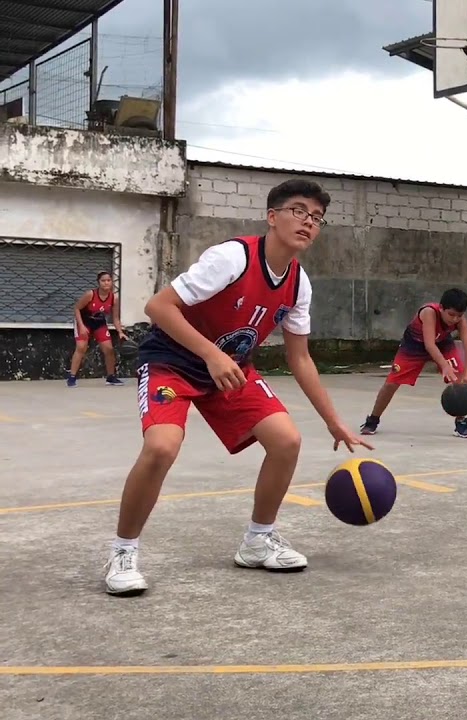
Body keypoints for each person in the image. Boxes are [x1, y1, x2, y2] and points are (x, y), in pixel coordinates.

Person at [102, 179, 371, 597]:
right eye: (298, 211)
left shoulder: (299, 282)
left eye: (316, 218)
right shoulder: (232, 257)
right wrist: (211, 354)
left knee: (286, 441)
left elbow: (300, 359)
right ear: (272, 216)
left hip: (230, 369)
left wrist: (334, 422)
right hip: (173, 362)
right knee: (161, 447)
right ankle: (123, 551)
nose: (308, 223)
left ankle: (257, 540)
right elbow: (158, 307)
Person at [359, 288, 467, 438]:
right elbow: (429, 345)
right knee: (391, 383)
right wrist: (444, 365)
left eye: (458, 316)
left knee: (458, 379)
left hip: (442, 343)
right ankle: (372, 420)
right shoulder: (429, 312)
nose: (454, 319)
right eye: (451, 315)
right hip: (415, 345)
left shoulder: (461, 321)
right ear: (441, 308)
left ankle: (461, 423)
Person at [68, 271, 129, 387]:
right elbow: (76, 308)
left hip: (99, 323)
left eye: (108, 280)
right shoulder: (90, 294)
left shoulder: (113, 298)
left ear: (111, 282)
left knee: (109, 349)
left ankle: (111, 377)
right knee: (81, 347)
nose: (106, 283)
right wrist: (81, 326)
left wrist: (120, 332)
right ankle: (72, 377)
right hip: (84, 321)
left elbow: (115, 318)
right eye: (103, 281)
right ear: (98, 283)